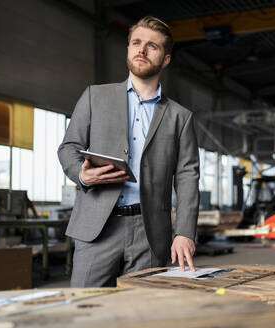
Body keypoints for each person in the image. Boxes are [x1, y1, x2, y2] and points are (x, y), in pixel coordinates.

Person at [58, 16, 200, 287]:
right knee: (85, 312)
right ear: (128, 49)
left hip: (150, 233)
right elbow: (69, 147)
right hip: (97, 228)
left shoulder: (180, 117)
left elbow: (187, 177)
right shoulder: (94, 97)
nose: (142, 50)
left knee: (142, 314)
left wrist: (184, 232)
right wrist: (82, 176)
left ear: (166, 59)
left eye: (152, 46)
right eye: (136, 43)